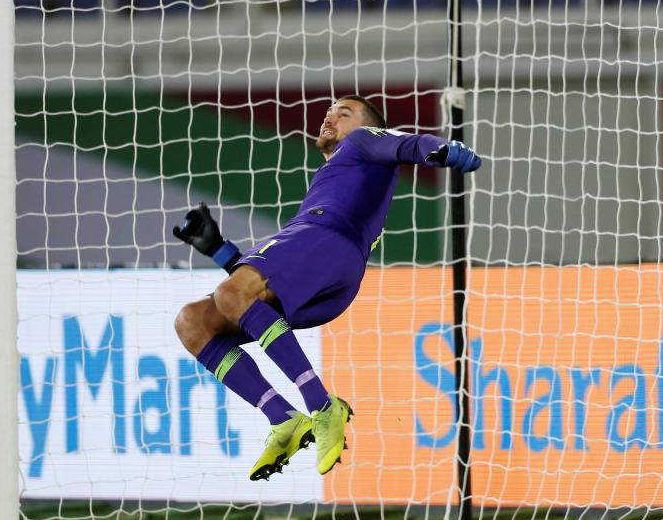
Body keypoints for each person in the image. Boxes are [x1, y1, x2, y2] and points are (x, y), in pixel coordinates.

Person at [172, 95, 482, 481]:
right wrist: (220, 250)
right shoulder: (338, 175)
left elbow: (407, 143)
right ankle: (283, 418)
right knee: (192, 322)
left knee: (231, 294)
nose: (330, 117)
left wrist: (443, 148)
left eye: (343, 113)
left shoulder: (363, 140)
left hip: (328, 240)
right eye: (329, 111)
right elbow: (255, 296)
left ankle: (321, 406)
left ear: (367, 125)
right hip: (331, 269)